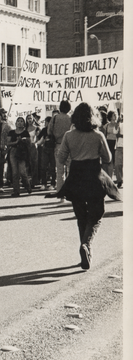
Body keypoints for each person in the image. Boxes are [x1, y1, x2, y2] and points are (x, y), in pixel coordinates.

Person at [51, 102, 121, 270]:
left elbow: (60, 159)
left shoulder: (68, 135)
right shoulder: (98, 135)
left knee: (81, 215)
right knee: (97, 213)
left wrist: (73, 158)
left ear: (75, 117)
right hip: (94, 176)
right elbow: (107, 158)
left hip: (75, 176)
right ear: (93, 117)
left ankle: (84, 247)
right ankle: (86, 244)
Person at [49, 99, 73, 194]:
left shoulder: (55, 118)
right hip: (70, 146)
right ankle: (70, 191)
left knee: (59, 172)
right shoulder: (72, 118)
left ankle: (60, 192)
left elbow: (49, 131)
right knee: (70, 171)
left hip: (58, 145)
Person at [6, 116, 33, 197]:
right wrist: (16, 142)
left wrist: (24, 140)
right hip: (13, 151)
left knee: (22, 171)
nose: (20, 122)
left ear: (24, 123)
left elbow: (29, 143)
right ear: (15, 123)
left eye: (21, 121)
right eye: (18, 121)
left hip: (22, 152)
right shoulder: (11, 132)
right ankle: (16, 191)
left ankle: (27, 186)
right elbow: (8, 143)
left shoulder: (25, 133)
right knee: (15, 172)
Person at [36, 117, 57, 189]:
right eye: (46, 122)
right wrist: (41, 141)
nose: (46, 123)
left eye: (48, 122)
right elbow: (38, 138)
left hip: (53, 149)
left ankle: (53, 183)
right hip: (45, 149)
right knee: (43, 167)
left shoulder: (55, 130)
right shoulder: (44, 130)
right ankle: (44, 183)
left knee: (53, 167)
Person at [104, 110, 120, 179]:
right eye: (113, 115)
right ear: (110, 116)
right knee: (109, 158)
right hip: (108, 142)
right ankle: (109, 174)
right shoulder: (107, 125)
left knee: (114, 159)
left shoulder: (117, 124)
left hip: (115, 142)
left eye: (115, 115)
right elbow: (105, 134)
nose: (115, 116)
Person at [114, 115, 123, 188]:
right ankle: (119, 180)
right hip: (119, 146)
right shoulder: (119, 124)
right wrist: (117, 123)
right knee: (117, 164)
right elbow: (115, 131)